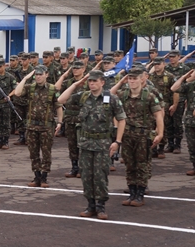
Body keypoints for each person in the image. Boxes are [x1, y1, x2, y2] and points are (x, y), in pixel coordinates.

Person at [58, 69, 126, 220]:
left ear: (102, 82)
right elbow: (61, 100)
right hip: (86, 143)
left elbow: (121, 119)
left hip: (103, 143)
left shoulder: (111, 98)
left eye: (95, 81)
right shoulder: (82, 97)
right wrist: (76, 84)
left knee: (100, 176)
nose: (92, 83)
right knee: (87, 176)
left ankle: (101, 206)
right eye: (90, 81)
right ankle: (90, 205)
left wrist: (118, 141)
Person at [109, 68, 164, 206]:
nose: (132, 81)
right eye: (130, 79)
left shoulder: (149, 96)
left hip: (143, 135)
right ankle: (132, 192)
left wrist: (160, 133)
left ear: (142, 79)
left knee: (142, 164)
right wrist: (121, 80)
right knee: (129, 164)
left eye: (135, 78)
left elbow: (158, 115)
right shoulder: (123, 94)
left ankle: (140, 194)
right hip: (127, 134)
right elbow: (109, 94)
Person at [15, 66, 63, 187]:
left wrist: (60, 122)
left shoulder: (52, 89)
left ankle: (44, 177)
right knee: (33, 153)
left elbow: (58, 106)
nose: (38, 77)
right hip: (31, 127)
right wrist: (25, 78)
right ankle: (36, 177)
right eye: (36, 74)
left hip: (46, 127)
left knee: (46, 153)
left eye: (40, 74)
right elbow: (17, 92)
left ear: (46, 75)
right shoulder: (30, 87)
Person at [56, 61, 87, 177]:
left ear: (84, 69)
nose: (76, 70)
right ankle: (74, 167)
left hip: (82, 118)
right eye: (74, 68)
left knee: (82, 144)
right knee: (72, 144)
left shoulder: (87, 83)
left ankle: (82, 168)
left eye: (78, 68)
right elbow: (56, 88)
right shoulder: (68, 82)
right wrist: (63, 75)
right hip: (70, 117)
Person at [147, 57, 179, 158]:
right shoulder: (150, 77)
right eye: (155, 64)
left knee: (162, 126)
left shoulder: (169, 76)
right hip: (151, 106)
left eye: (158, 64)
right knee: (151, 126)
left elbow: (175, 91)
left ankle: (161, 148)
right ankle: (153, 148)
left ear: (163, 64)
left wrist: (174, 104)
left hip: (164, 105)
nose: (156, 66)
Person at [170, 69, 195, 176]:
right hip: (190, 121)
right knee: (192, 146)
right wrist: (183, 77)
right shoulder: (191, 86)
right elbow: (173, 88)